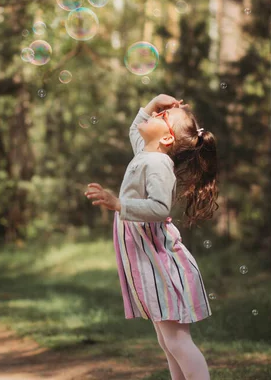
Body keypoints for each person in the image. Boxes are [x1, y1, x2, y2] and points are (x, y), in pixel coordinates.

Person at [84, 93, 220, 380]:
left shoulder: (157, 164)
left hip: (161, 264)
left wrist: (120, 204)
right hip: (149, 262)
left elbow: (159, 208)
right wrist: (153, 103)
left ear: (167, 139)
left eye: (163, 117)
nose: (155, 115)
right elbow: (136, 128)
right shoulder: (147, 153)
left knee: (177, 341)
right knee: (167, 341)